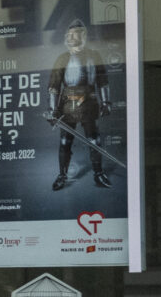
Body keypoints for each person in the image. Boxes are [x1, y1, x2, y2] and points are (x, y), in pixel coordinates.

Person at [47, 19, 112, 192]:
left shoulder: (94, 56)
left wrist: (106, 101)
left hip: (89, 102)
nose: (71, 37)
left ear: (83, 35)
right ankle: (62, 175)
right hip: (68, 104)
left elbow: (102, 81)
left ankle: (98, 173)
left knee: (94, 140)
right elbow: (54, 86)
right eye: (69, 34)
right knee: (65, 141)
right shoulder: (62, 59)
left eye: (75, 34)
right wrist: (53, 110)